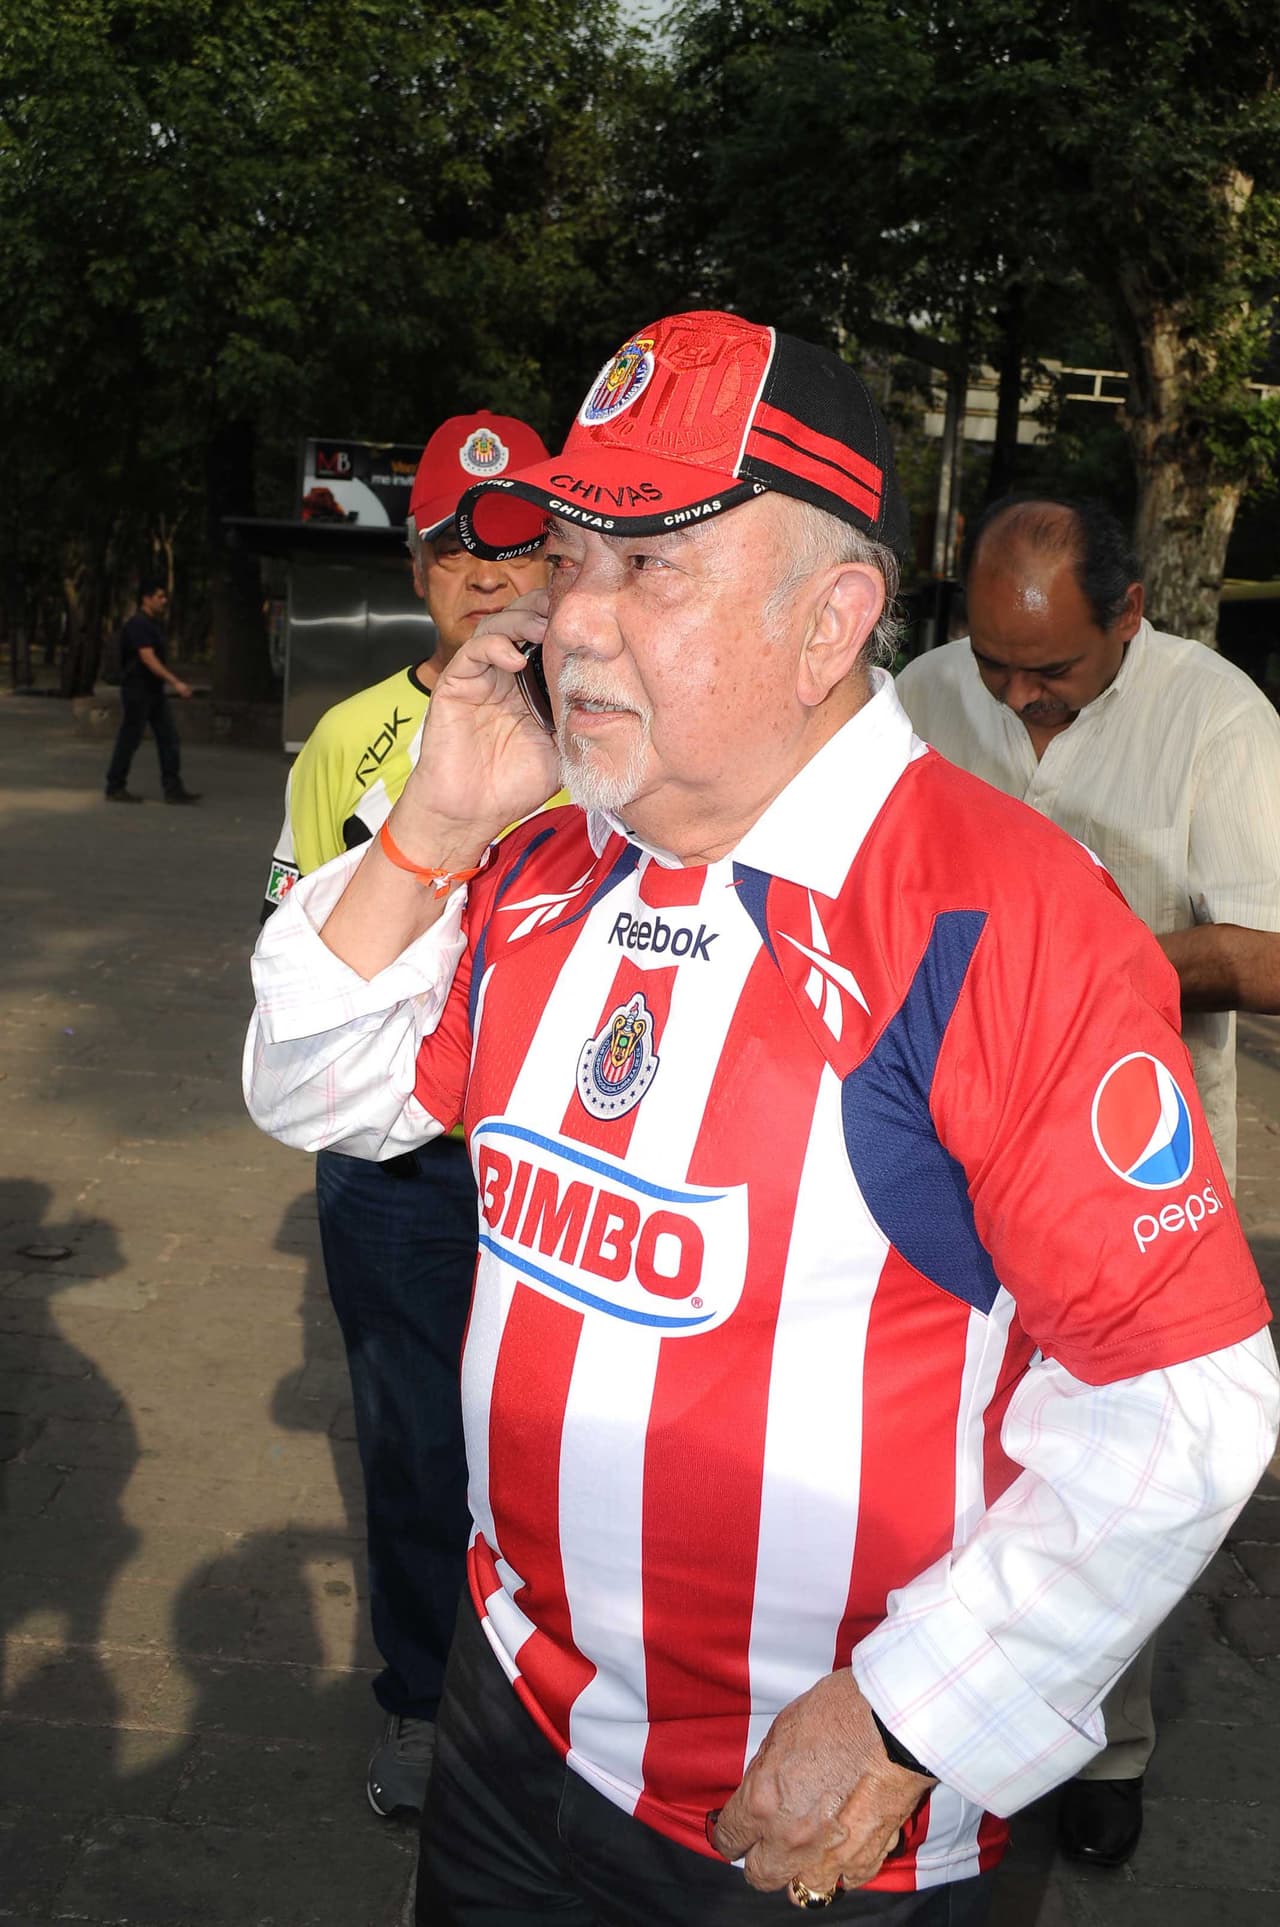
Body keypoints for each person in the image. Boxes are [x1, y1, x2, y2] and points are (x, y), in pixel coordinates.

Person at [245, 311, 1279, 1926]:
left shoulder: (995, 916)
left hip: (810, 1822)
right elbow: (318, 1085)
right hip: (511, 1727)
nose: (572, 617)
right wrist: (434, 822)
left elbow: (1182, 1394)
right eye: (574, 553)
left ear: (831, 619)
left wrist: (910, 1712)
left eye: (651, 568)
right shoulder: (541, 859)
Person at [896, 496, 1280, 1867]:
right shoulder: (921, 697)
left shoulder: (1221, 719)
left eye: (1048, 671)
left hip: (1131, 1150)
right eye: (993, 662)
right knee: (940, 1437)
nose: (1012, 694)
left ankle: (1098, 1743)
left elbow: (1277, 953)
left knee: (1117, 1449)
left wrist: (1095, 954)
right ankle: (912, 1711)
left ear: (1128, 614)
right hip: (925, 1140)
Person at [260, 412, 551, 1819]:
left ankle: (568, 1715)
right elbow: (302, 972)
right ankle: (425, 1701)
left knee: (576, 1443)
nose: (494, 577)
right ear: (420, 562)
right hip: (400, 1169)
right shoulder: (348, 736)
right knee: (420, 1445)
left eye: (526, 543)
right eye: (459, 548)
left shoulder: (614, 724)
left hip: (565, 1160)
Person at [104, 573, 199, 803]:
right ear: (146, 599)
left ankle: (173, 789)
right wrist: (175, 682)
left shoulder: (153, 625)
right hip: (138, 691)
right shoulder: (138, 625)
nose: (164, 600)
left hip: (153, 691)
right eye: (159, 596)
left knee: (168, 738)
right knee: (130, 738)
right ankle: (115, 785)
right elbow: (147, 657)